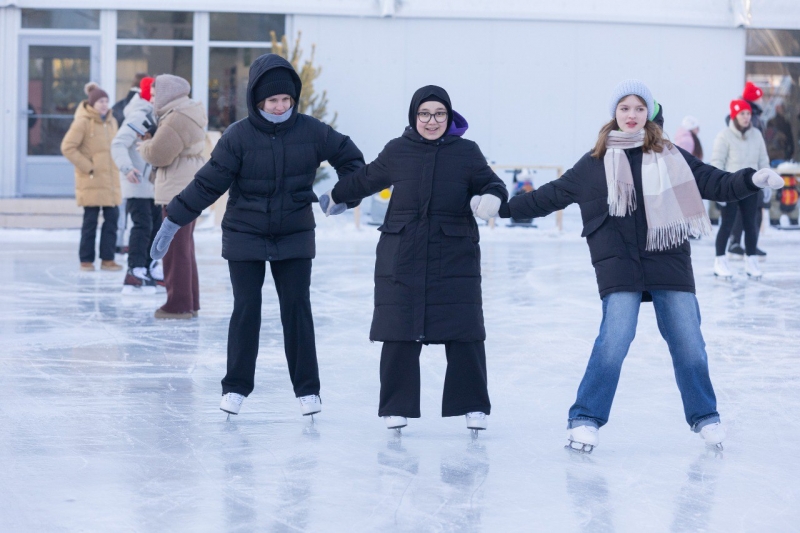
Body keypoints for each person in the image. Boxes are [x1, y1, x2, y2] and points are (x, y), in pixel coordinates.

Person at [498, 80, 783, 453]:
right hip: (619, 264)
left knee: (689, 342)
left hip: (669, 259)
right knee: (613, 341)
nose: (631, 115)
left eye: (639, 108)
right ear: (614, 113)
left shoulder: (672, 155)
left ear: (649, 113)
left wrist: (752, 178)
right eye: (624, 108)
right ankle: (585, 418)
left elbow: (715, 182)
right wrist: (501, 208)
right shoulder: (595, 162)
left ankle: (705, 416)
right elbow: (547, 196)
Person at [149, 54, 365, 418]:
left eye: (286, 100)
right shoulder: (239, 137)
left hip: (294, 234)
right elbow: (207, 184)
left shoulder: (313, 131)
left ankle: (308, 391)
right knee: (246, 310)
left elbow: (353, 161)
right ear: (257, 100)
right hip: (245, 234)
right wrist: (173, 220)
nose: (280, 107)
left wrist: (344, 196)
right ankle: (235, 388)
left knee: (297, 309)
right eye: (272, 100)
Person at [323, 85, 508, 434]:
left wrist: (492, 198)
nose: (432, 121)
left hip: (454, 255)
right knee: (399, 331)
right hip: (403, 252)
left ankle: (472, 406)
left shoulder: (467, 152)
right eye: (424, 114)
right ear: (414, 117)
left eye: (439, 114)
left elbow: (493, 184)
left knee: (464, 331)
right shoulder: (398, 150)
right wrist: (336, 195)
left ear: (449, 117)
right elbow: (366, 178)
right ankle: (396, 407)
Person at [139, 74, 207, 318]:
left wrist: (143, 145)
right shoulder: (185, 112)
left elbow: (159, 155)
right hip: (188, 187)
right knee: (183, 246)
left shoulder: (177, 118)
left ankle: (177, 305)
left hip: (178, 188)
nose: (153, 100)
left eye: (155, 95)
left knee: (174, 248)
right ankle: (190, 302)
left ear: (167, 94)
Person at [61, 82, 123, 272]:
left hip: (110, 180)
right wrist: (89, 167)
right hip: (91, 179)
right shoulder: (83, 122)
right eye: (100, 101)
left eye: (106, 101)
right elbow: (68, 147)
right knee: (90, 221)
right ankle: (86, 260)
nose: (104, 104)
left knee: (112, 219)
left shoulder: (112, 121)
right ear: (92, 103)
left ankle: (108, 259)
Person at [111, 76, 163, 293]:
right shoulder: (139, 114)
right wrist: (127, 168)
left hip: (153, 185)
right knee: (142, 227)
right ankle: (135, 269)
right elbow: (118, 143)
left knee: (156, 227)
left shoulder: (155, 115)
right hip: (138, 183)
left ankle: (149, 266)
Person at [711, 99, 771, 279]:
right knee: (727, 225)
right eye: (742, 114)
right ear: (735, 116)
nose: (746, 118)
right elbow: (717, 163)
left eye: (748, 114)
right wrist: (718, 188)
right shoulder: (724, 136)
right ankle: (720, 261)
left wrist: (767, 181)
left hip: (752, 186)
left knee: (751, 225)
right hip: (730, 187)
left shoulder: (757, 135)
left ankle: (751, 260)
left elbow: (763, 161)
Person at [112, 72, 149, 254]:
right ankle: (122, 248)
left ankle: (119, 243)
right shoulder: (139, 112)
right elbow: (119, 141)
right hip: (133, 169)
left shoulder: (124, 105)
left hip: (131, 168)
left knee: (127, 213)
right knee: (139, 222)